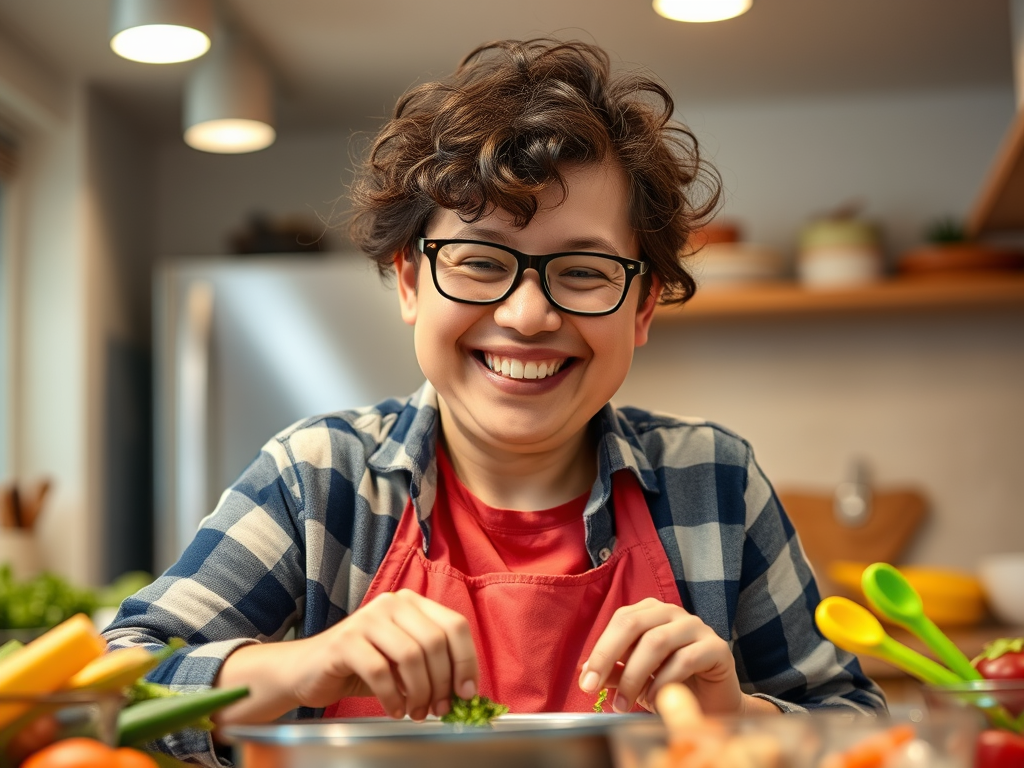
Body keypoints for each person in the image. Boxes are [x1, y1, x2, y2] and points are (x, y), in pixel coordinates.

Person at [104, 37, 886, 766]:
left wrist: (745, 719)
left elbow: (864, 728)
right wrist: (302, 664)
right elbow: (113, 684)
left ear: (642, 308)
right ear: (411, 281)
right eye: (480, 262)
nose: (527, 315)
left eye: (582, 272)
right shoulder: (320, 476)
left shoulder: (714, 478)